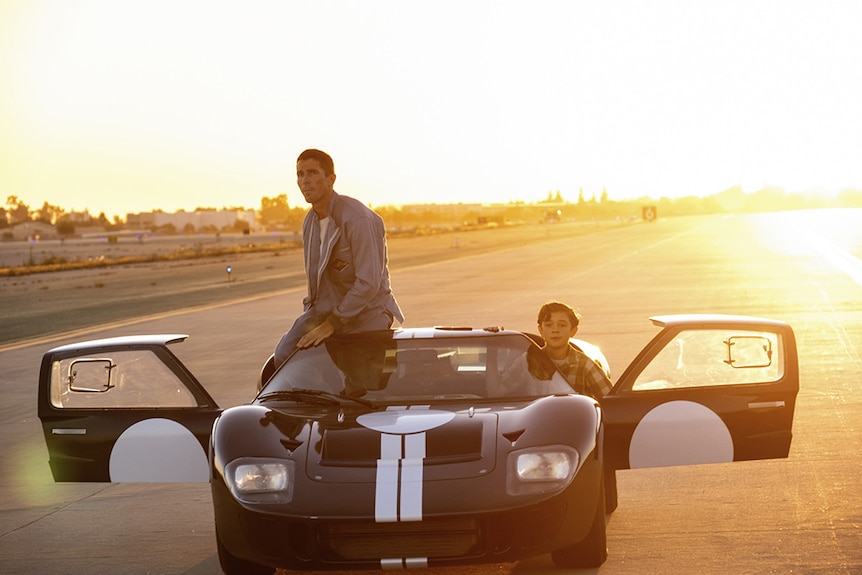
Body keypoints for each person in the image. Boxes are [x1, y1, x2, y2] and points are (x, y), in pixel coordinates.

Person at [273, 149, 403, 366]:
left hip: (367, 311)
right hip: (325, 311)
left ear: (331, 179)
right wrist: (314, 317)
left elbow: (368, 283)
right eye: (300, 174)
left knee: (355, 368)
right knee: (286, 354)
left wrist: (331, 324)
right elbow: (315, 282)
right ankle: (318, 399)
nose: (305, 181)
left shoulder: (358, 218)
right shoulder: (310, 222)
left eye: (312, 173)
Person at [533, 300, 612, 402]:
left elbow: (611, 402)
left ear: (573, 331)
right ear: (541, 330)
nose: (555, 330)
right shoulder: (527, 363)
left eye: (562, 325)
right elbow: (506, 391)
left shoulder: (585, 365)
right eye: (549, 325)